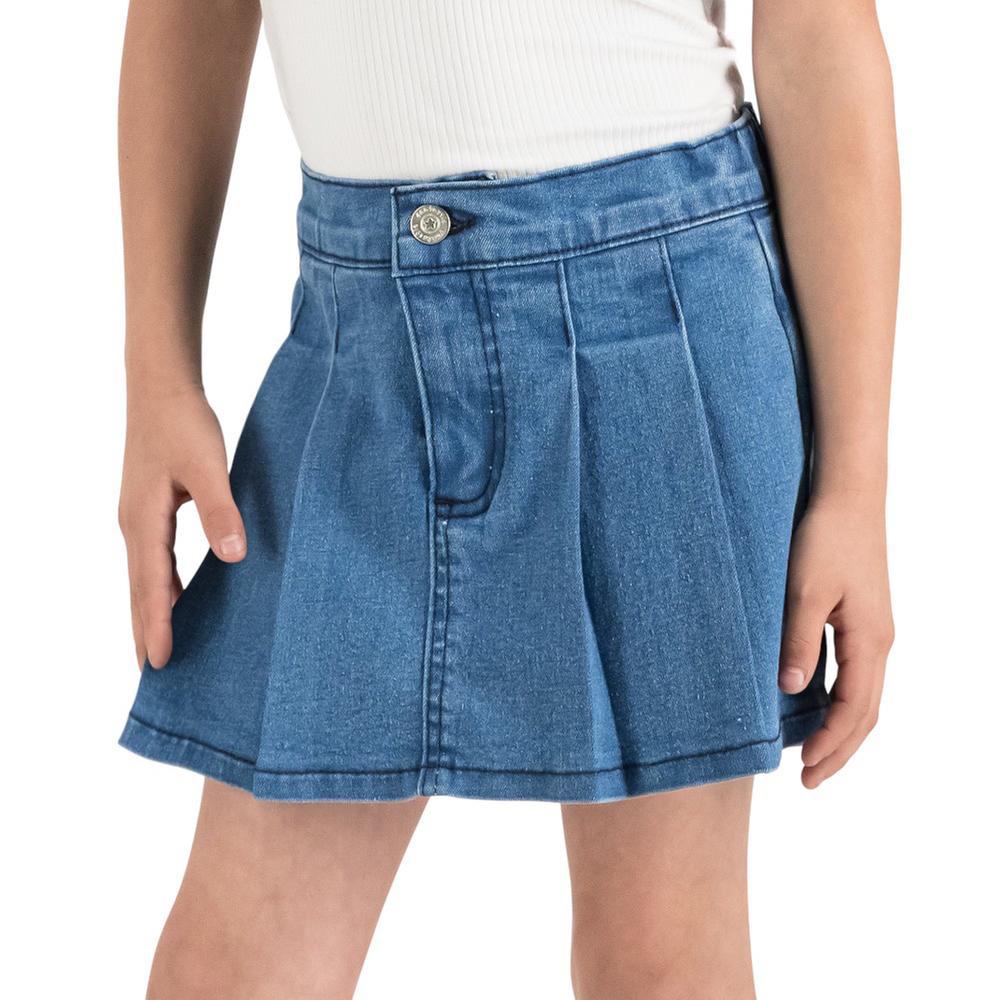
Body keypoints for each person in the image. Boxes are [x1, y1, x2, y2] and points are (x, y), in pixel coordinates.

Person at [116, 1, 898, 997]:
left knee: (661, 961)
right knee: (230, 971)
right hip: (362, 331)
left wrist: (855, 486)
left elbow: (820, 31)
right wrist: (158, 375)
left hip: (654, 317)